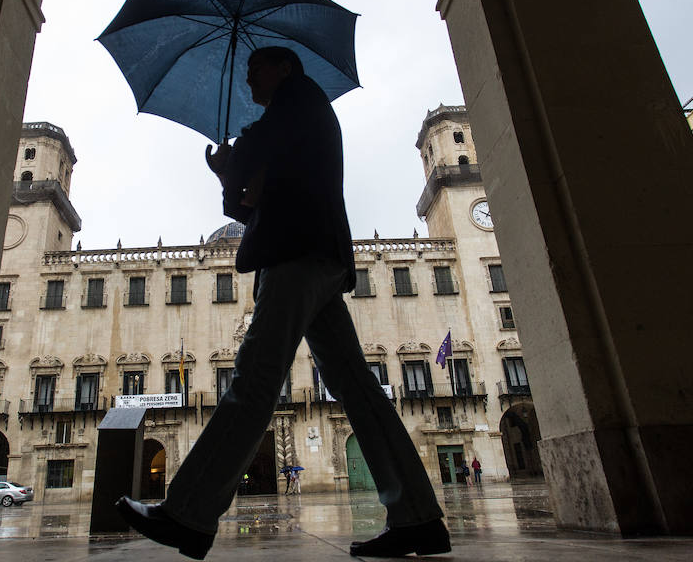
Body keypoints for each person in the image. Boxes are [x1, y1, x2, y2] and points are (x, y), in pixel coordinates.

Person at [115, 46, 449, 560]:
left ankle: (188, 513)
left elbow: (256, 156)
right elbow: (251, 206)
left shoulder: (300, 103)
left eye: (256, 69)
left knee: (256, 376)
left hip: (299, 255)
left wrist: (234, 157)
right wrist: (231, 177)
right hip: (313, 253)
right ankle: (418, 518)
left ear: (285, 68)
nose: (249, 79)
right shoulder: (293, 125)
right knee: (356, 386)